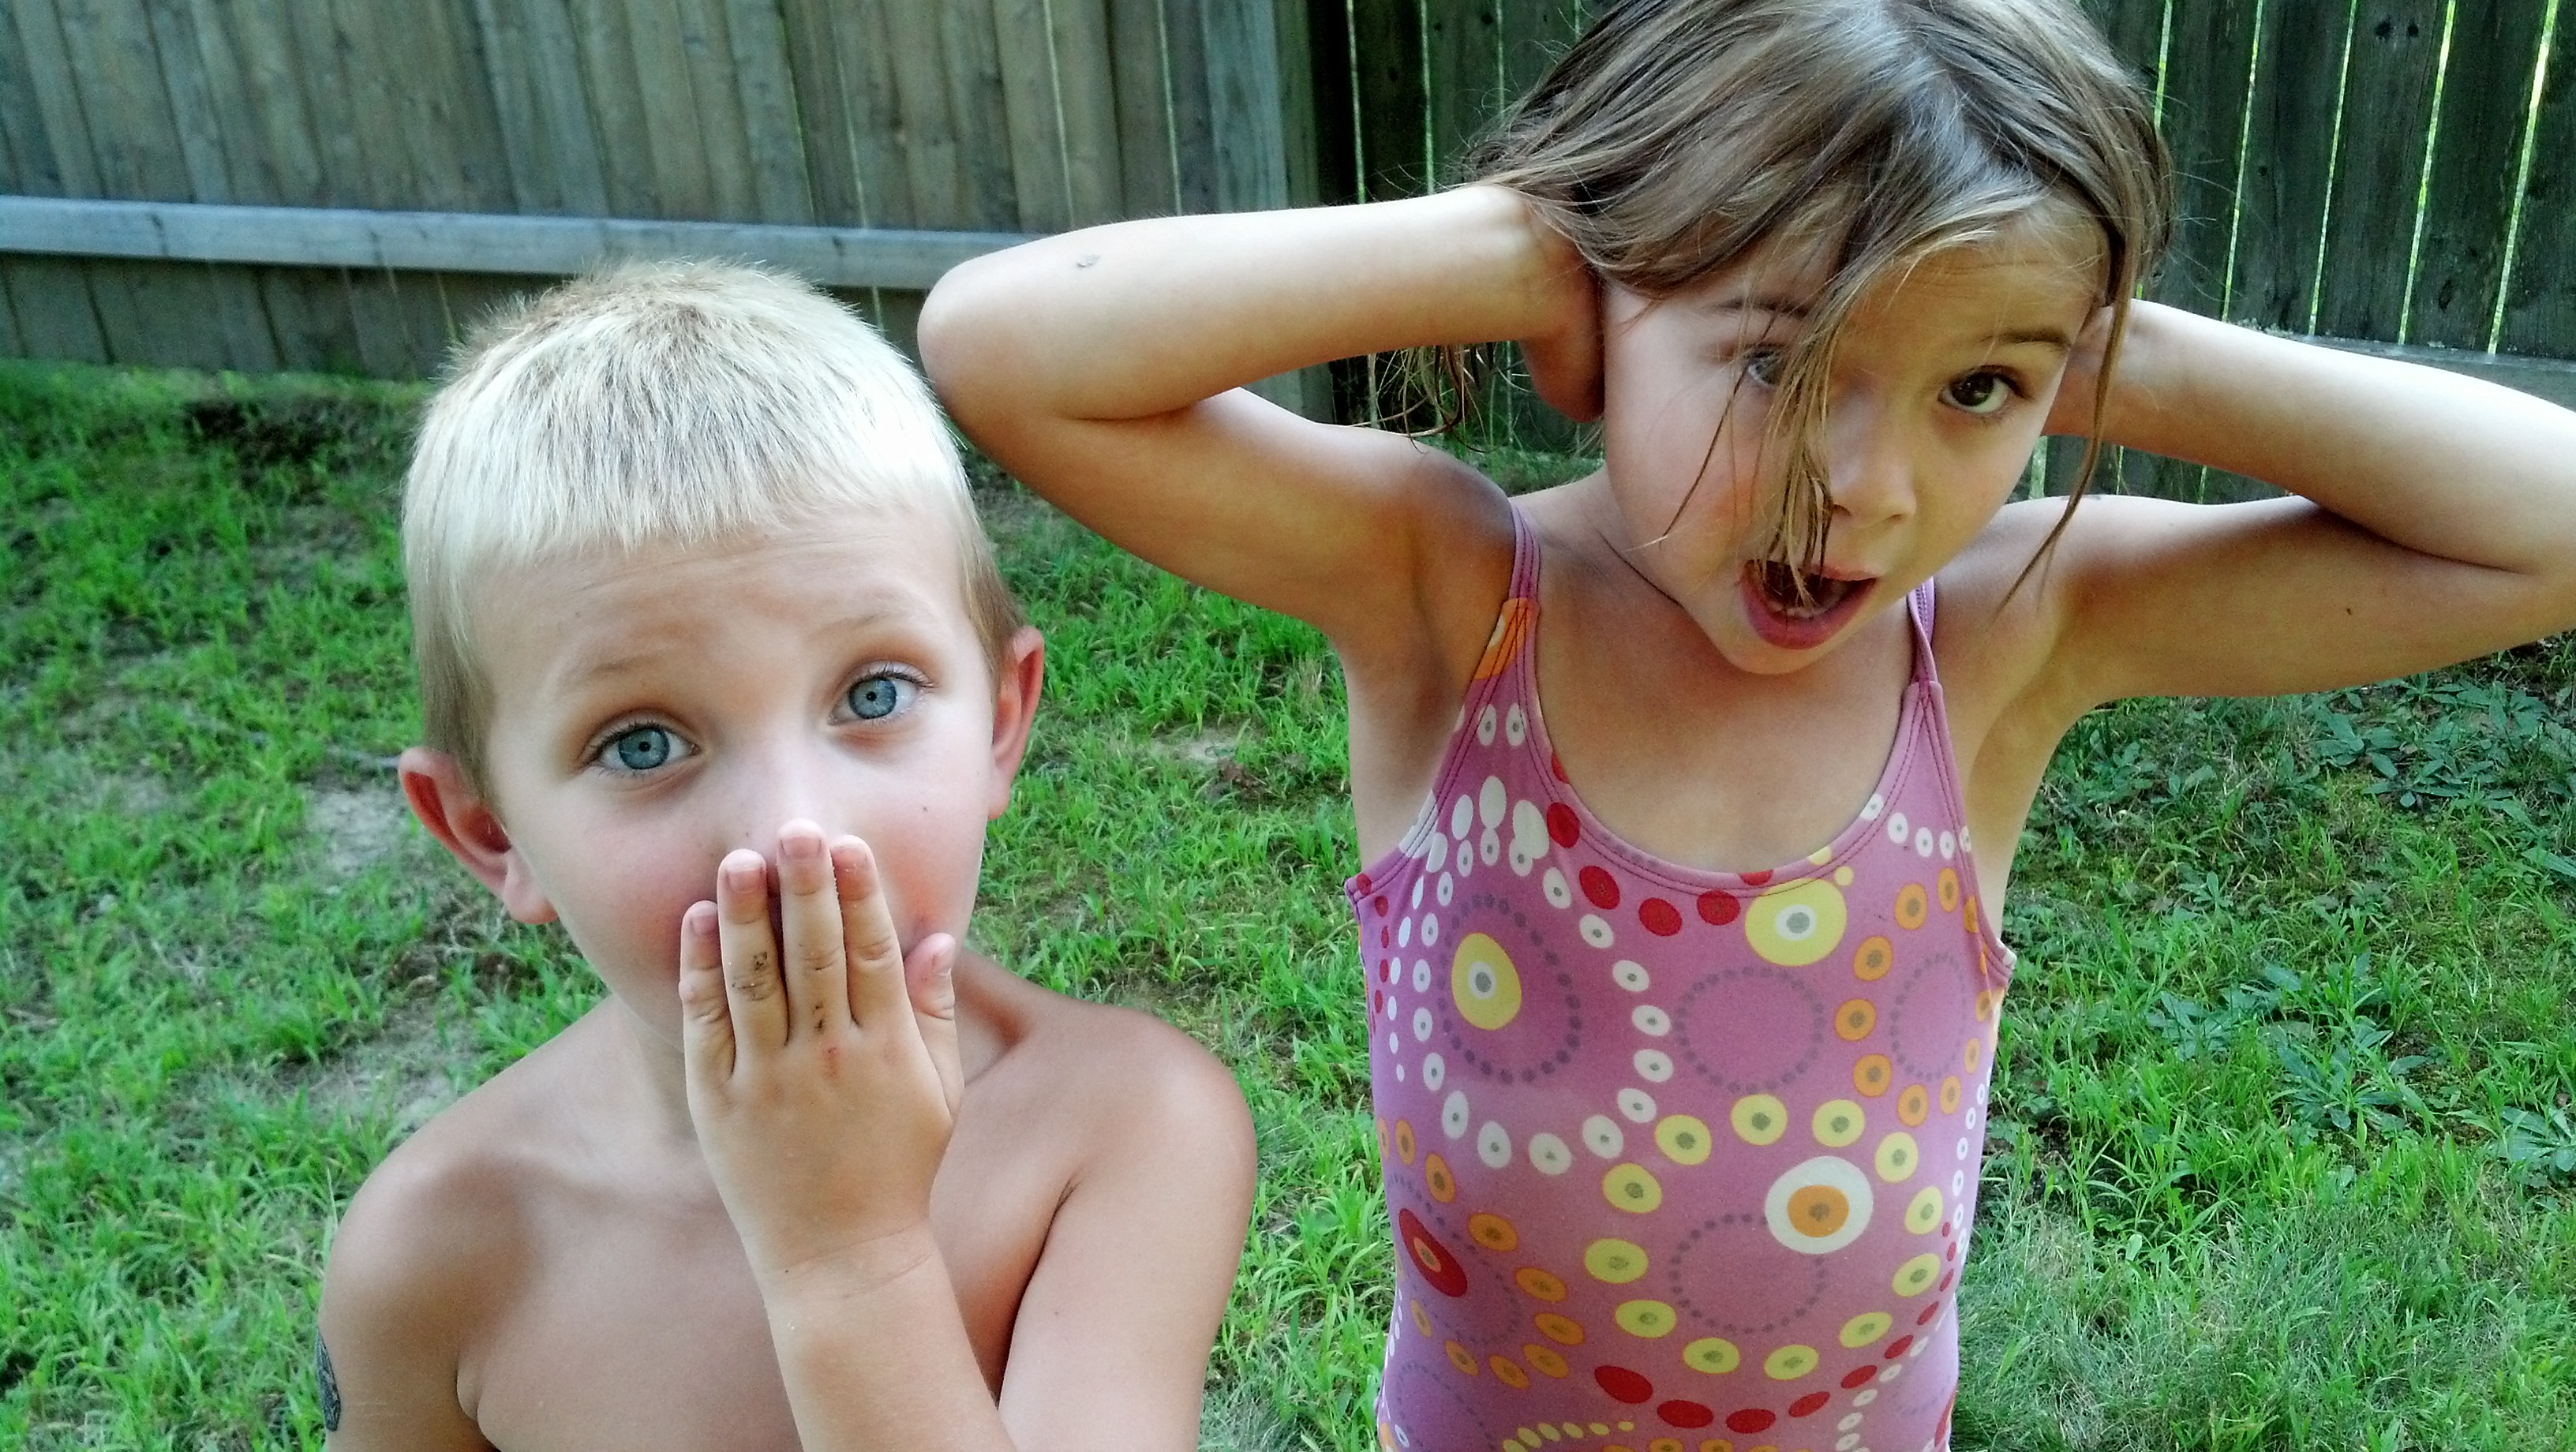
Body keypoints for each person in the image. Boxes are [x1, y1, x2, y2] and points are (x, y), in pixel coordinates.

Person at [916, 0, 2576, 1444]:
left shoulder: (2003, 634)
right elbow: (1005, 348)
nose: (1867, 485)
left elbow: (2548, 524)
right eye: (1780, 362)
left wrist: (2105, 344)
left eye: (1975, 391)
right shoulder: (1451, 596)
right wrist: (1533, 246)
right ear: (1598, 316)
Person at [316, 261, 1256, 1451]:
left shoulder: (1123, 1131)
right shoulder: (435, 1251)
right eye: (643, 743)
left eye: (874, 693)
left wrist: (848, 1255)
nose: (793, 832)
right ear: (491, 830)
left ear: (1001, 724)